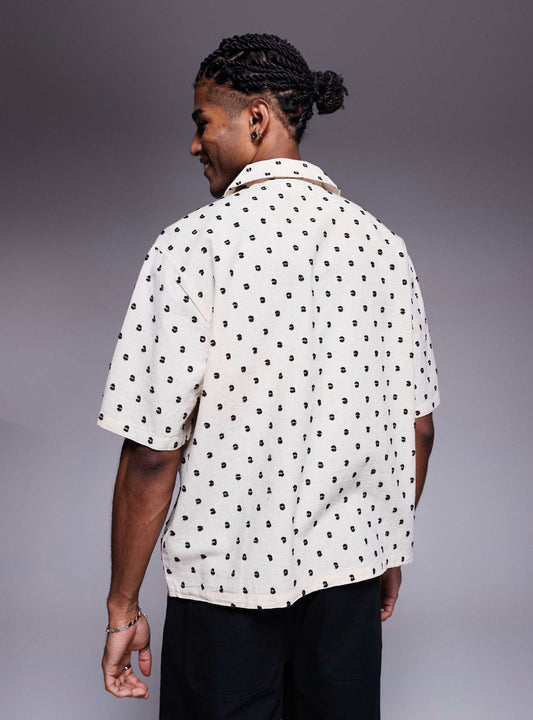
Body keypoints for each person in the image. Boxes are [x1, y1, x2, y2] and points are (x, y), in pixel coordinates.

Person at [97, 32, 439, 720]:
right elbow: (419, 429)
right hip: (348, 582)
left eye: (202, 122)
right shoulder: (383, 247)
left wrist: (122, 605)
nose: (194, 144)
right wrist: (385, 546)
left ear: (255, 118)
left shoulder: (192, 245)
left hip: (222, 594)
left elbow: (152, 453)